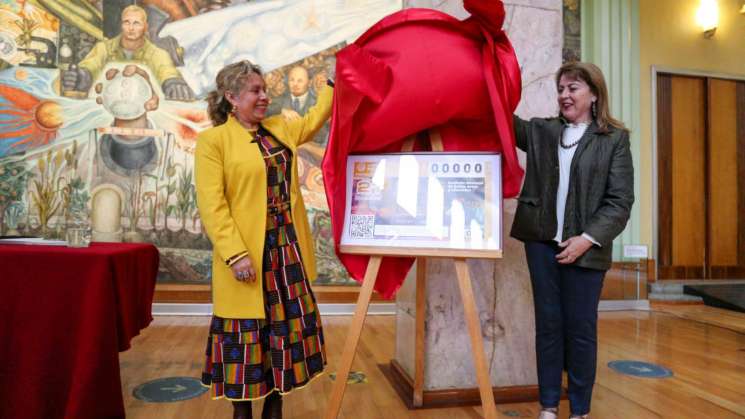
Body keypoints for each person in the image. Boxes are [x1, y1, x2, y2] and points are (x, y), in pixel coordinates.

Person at [195, 60, 332, 419]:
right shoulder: (214, 141)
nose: (263, 97)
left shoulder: (278, 129)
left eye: (264, 90)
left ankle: (275, 405)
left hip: (285, 253)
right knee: (246, 336)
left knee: (283, 333)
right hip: (246, 257)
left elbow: (316, 118)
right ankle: (242, 411)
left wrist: (336, 83)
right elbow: (213, 205)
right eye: (255, 91)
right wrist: (235, 254)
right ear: (231, 97)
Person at [511, 62, 634, 419]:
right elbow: (503, 122)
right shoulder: (544, 131)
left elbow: (620, 201)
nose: (565, 95)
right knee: (548, 326)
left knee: (580, 330)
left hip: (586, 250)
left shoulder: (614, 140)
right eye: (561, 88)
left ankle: (579, 410)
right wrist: (491, 75)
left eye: (573, 88)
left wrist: (587, 239)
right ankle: (549, 406)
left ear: (594, 94)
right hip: (541, 244)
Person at [62, 5, 194, 101]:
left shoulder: (157, 53)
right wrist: (81, 77)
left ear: (145, 27)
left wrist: (173, 83)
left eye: (136, 23)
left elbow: (166, 70)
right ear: (121, 25)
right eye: (127, 22)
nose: (131, 28)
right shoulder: (103, 48)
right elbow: (91, 65)